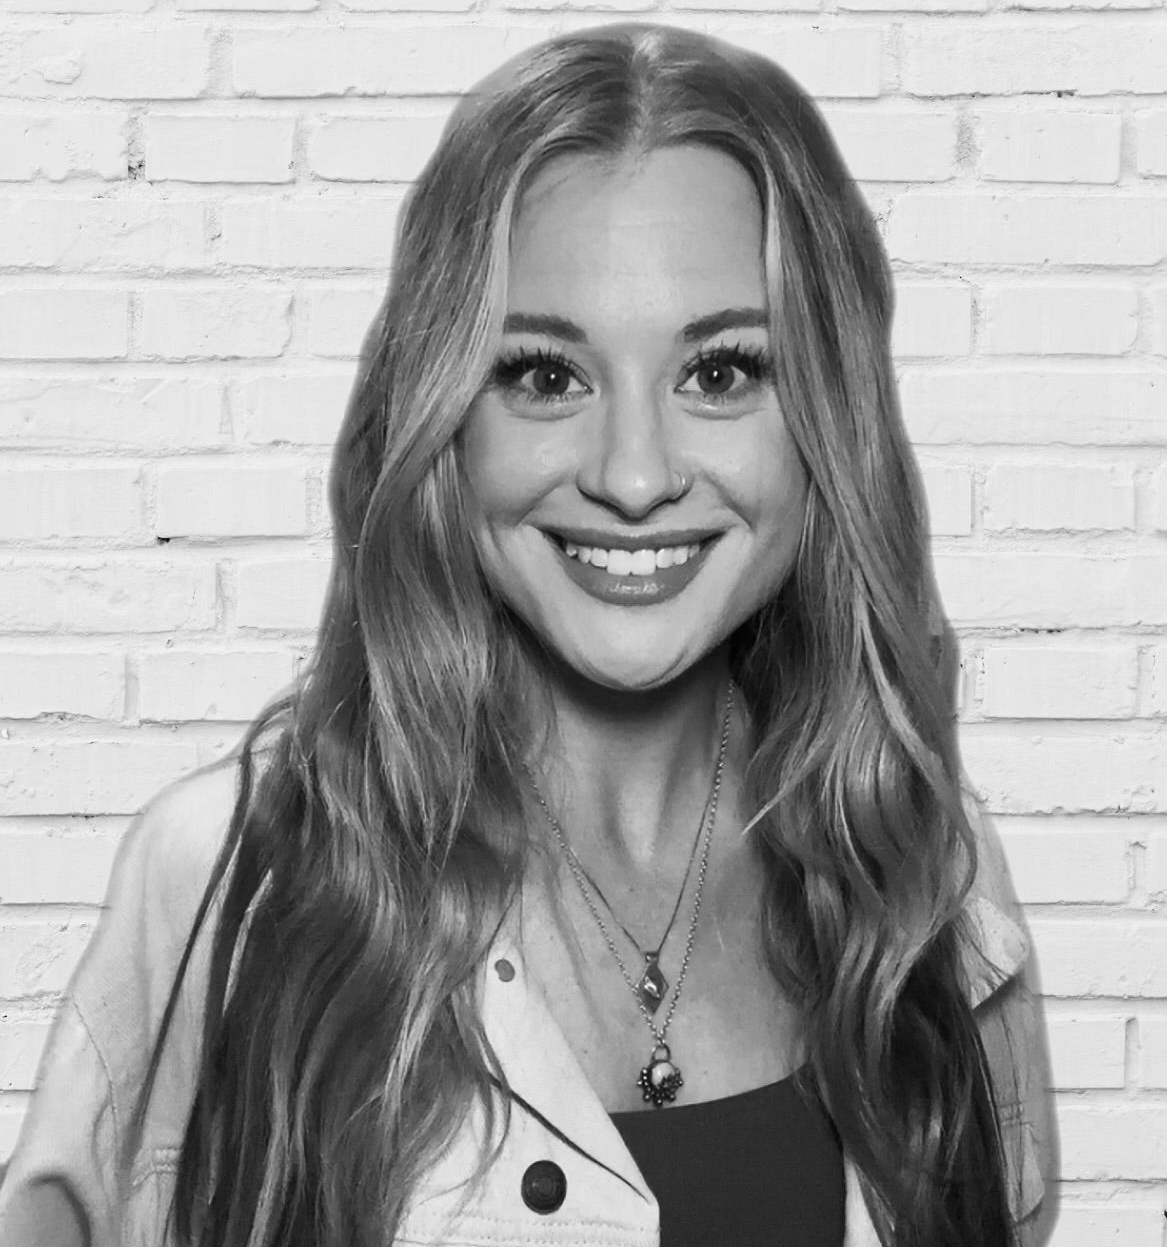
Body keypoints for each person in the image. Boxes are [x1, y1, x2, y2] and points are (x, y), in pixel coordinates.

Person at [0, 20, 1053, 1247]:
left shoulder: (924, 871)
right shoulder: (239, 876)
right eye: (546, 376)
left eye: (721, 371)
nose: (636, 475)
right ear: (442, 414)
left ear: (830, 413)